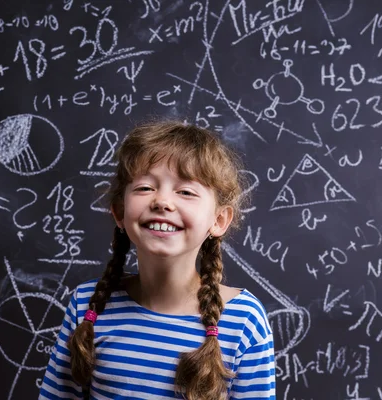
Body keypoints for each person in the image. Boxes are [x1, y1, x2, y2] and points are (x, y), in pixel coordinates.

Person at [39, 120, 275, 399]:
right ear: (119, 211)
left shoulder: (243, 320)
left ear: (219, 219)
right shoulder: (87, 305)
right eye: (145, 188)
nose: (162, 201)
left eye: (186, 191)